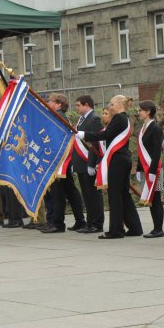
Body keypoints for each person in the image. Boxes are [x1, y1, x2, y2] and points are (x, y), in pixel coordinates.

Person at [78, 95, 143, 239]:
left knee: (115, 196)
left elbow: (107, 134)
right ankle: (135, 227)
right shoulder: (123, 118)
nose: (110, 106)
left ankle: (116, 230)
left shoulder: (119, 118)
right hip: (122, 159)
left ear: (120, 105)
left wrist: (84, 134)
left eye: (112, 103)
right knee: (124, 195)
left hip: (118, 160)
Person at [41, 93, 86, 234]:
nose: (48, 103)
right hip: (62, 160)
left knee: (58, 193)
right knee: (70, 190)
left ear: (59, 104)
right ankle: (80, 220)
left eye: (50, 101)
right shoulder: (57, 116)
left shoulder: (57, 116)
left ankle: (58, 223)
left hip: (59, 161)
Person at [72, 95, 105, 234]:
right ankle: (89, 222)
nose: (77, 107)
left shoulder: (94, 119)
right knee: (86, 195)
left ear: (87, 105)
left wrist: (93, 163)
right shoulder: (81, 119)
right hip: (81, 162)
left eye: (79, 105)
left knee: (93, 195)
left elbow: (96, 142)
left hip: (89, 162)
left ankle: (97, 223)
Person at [136, 100, 164, 238]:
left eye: (141, 110)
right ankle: (155, 228)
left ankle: (158, 229)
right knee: (151, 199)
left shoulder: (155, 128)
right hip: (145, 169)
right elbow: (141, 151)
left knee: (156, 198)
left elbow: (156, 151)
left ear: (148, 112)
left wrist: (153, 171)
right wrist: (138, 169)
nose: (138, 112)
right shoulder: (143, 128)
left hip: (154, 170)